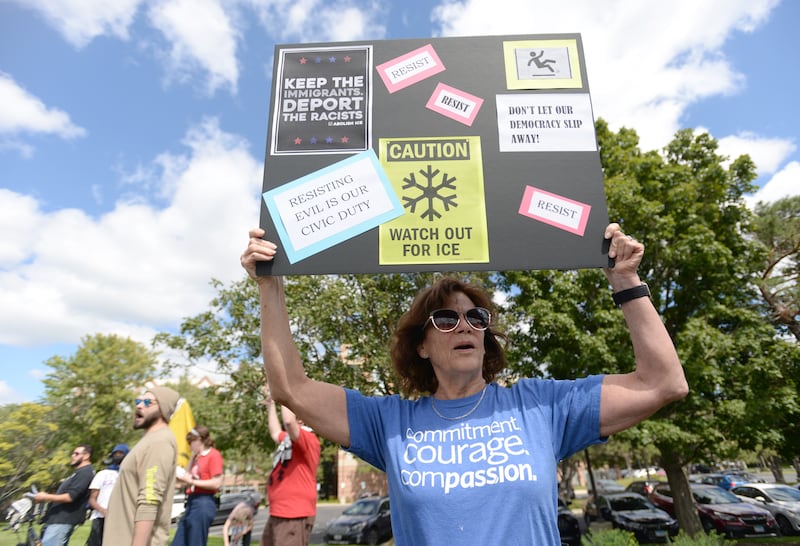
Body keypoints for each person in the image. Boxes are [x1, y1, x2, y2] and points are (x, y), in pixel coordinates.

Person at [241, 223, 689, 544]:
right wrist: (271, 286)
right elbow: (291, 389)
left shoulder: (539, 407)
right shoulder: (389, 423)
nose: (465, 326)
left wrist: (627, 283)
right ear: (421, 345)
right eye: (446, 318)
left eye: (476, 318)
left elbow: (663, 383)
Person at [104, 386, 180, 546]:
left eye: (147, 402)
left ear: (163, 410)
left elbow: (150, 499)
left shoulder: (160, 442)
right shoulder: (149, 441)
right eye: (138, 401)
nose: (139, 405)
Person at [261, 391, 321, 546]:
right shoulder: (288, 439)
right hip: (279, 511)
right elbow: (275, 433)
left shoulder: (308, 439)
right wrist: (270, 405)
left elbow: (288, 421)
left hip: (294, 513)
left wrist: (283, 392)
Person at [171, 425, 224, 546]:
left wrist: (193, 482)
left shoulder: (213, 455)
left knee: (196, 541)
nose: (189, 445)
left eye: (191, 442)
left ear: (199, 439)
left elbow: (216, 482)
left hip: (204, 502)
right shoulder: (196, 457)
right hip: (191, 501)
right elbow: (187, 476)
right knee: (179, 542)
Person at [34, 444, 95, 546]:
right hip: (57, 520)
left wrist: (45, 497)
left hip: (63, 520)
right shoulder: (79, 472)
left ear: (86, 456)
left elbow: (70, 497)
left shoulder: (86, 472)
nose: (72, 456)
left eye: (76, 454)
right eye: (72, 453)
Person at [86, 443, 129, 546]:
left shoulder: (129, 475)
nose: (118, 456)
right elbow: (92, 499)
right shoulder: (103, 474)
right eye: (115, 453)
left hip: (120, 519)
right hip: (100, 517)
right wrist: (103, 511)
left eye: (121, 453)